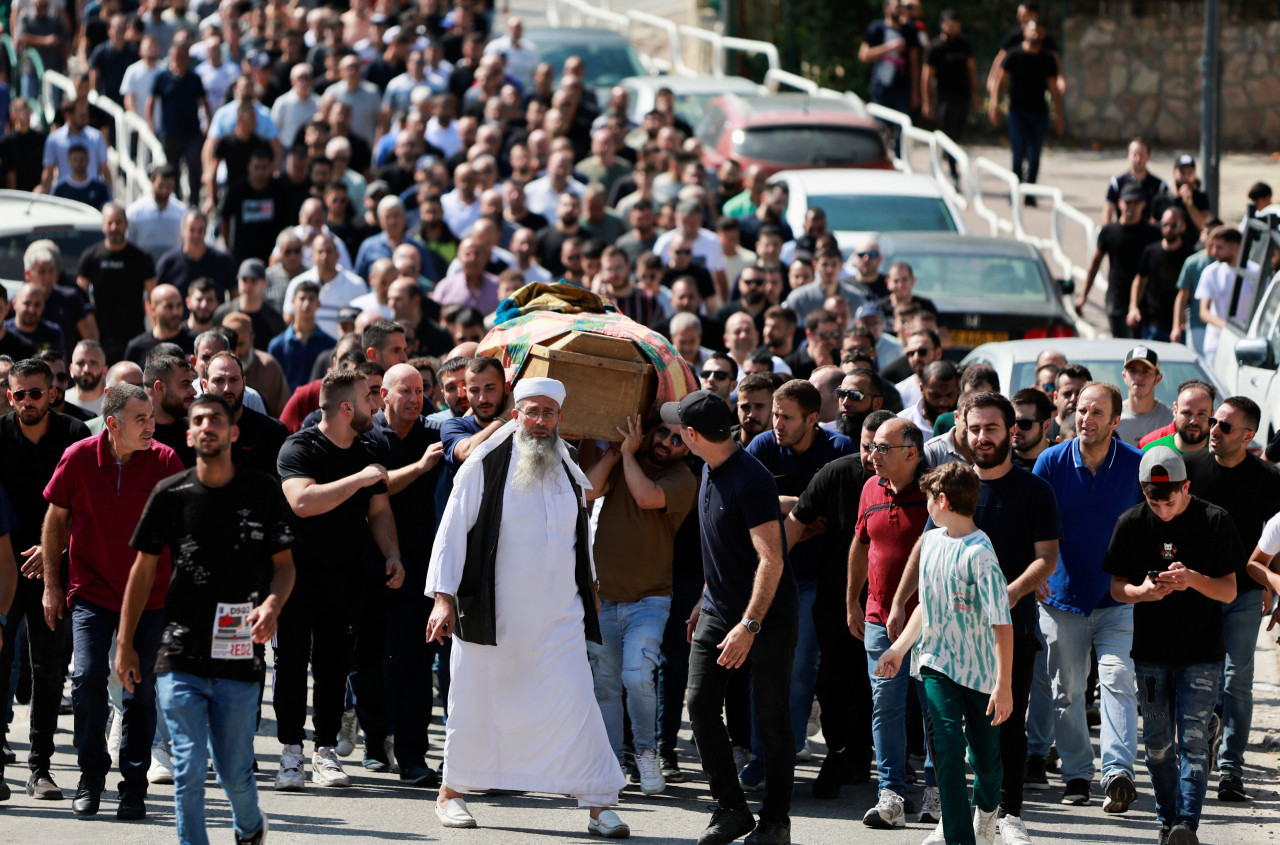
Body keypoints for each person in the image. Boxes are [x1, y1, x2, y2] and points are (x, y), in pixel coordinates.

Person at [424, 377, 629, 838]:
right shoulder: (487, 462)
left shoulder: (569, 463)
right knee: (476, 705)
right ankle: (451, 793)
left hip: (559, 618)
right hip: (493, 615)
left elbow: (581, 533)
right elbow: (452, 529)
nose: (539, 423)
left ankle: (599, 803)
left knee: (576, 703)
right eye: (532, 413)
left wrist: (591, 583)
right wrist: (442, 598)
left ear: (560, 418)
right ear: (516, 415)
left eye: (549, 414)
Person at [116, 393, 294, 845]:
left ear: (233, 432)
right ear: (190, 433)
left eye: (217, 418)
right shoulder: (170, 494)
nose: (207, 425)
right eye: (199, 420)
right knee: (190, 770)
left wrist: (272, 604)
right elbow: (142, 568)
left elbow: (286, 564)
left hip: (239, 650)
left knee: (235, 774)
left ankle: (250, 827)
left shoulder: (262, 491)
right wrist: (125, 642)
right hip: (179, 650)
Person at [660, 389, 798, 845]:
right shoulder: (706, 467)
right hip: (719, 610)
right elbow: (719, 548)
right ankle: (731, 809)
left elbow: (771, 560)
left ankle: (776, 821)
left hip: (767, 617)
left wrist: (750, 625)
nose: (675, 432)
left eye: (679, 427)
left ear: (694, 435)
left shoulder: (751, 480)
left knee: (771, 717)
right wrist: (705, 598)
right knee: (699, 704)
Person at [42, 383, 185, 819]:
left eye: (151, 418)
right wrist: (51, 584)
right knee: (86, 679)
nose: (151, 426)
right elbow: (55, 520)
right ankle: (91, 776)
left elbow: (185, 531)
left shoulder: (165, 460)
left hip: (151, 597)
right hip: (92, 591)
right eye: (140, 419)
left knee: (139, 693)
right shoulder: (79, 457)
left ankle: (134, 787)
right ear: (112, 424)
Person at [1104, 446, 1239, 845]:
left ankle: (1186, 825)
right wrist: (1143, 592)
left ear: (1187, 487)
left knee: (1193, 742)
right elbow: (1116, 587)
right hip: (1150, 652)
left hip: (1202, 652)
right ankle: (1167, 822)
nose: (1162, 510)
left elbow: (1229, 591)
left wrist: (1193, 579)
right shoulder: (1130, 523)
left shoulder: (1215, 520)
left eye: (1170, 500)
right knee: (1159, 744)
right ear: (1142, 491)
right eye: (1153, 500)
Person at [274, 369, 402, 791]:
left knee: (332, 667)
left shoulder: (369, 446)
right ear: (347, 408)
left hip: (347, 577)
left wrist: (392, 554)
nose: (376, 405)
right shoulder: (299, 446)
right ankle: (290, 754)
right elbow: (303, 501)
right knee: (291, 667)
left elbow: (379, 510)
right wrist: (360, 479)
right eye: (369, 398)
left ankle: (324, 751)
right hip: (294, 578)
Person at [877, 460, 1014, 845]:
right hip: (936, 664)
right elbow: (927, 606)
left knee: (987, 764)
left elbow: (1002, 624)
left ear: (942, 500)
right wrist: (900, 648)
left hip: (982, 673)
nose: (926, 508)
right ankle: (958, 837)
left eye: (928, 500)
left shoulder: (981, 553)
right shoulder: (933, 542)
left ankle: (986, 815)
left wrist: (1003, 686)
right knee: (948, 749)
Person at [1032, 381, 1143, 811]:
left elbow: (1151, 526)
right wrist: (1032, 573)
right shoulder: (1051, 462)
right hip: (1062, 599)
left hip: (1118, 598)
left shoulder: (1135, 465)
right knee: (1068, 691)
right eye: (1081, 410)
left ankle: (1117, 772)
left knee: (1118, 681)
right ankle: (1078, 774)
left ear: (1116, 421)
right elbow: (1031, 523)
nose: (1086, 419)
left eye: (1097, 413)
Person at [583, 412, 697, 796]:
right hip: (604, 598)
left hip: (650, 599)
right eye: (663, 432)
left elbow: (647, 497)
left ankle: (645, 752)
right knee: (606, 685)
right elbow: (588, 491)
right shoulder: (624, 458)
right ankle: (614, 761)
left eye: (678, 439)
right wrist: (618, 453)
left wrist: (628, 456)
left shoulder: (684, 478)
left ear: (690, 446)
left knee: (637, 678)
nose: (667, 442)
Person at [1181, 396, 1280, 803]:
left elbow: (1276, 540)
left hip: (1242, 593)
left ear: (1249, 436)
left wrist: (1272, 588)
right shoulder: (1190, 470)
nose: (1213, 431)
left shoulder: (1267, 480)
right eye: (1212, 422)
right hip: (1196, 591)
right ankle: (1195, 748)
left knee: (1238, 677)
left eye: (1224, 426)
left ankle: (1231, 767)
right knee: (1197, 675)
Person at [0, 358, 90, 800]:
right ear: (9, 395)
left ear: (53, 393)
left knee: (48, 668)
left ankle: (40, 768)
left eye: (37, 393)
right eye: (20, 394)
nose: (29, 402)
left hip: (56, 566)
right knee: (0, 663)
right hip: (3, 566)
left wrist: (53, 549)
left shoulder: (75, 435)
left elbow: (86, 506)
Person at [358, 364, 445, 783]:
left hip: (421, 568)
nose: (415, 399)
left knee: (413, 664)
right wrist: (418, 469)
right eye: (405, 392)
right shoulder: (368, 437)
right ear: (385, 396)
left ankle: (413, 756)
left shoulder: (434, 436)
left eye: (420, 391)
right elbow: (373, 487)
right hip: (371, 565)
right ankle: (376, 739)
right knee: (371, 663)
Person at [850, 417, 934, 830]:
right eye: (872, 447)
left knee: (935, 708)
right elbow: (860, 543)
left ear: (911, 453)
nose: (873, 455)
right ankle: (892, 794)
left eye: (883, 448)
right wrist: (852, 599)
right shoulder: (870, 489)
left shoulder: (936, 491)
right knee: (886, 705)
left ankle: (937, 791)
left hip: (933, 621)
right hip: (878, 619)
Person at [988, 18, 1064, 196]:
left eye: (1038, 31)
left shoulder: (1047, 58)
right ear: (1025, 32)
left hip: (1039, 112)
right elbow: (1000, 81)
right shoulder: (1014, 55)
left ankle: (1030, 192)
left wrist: (1058, 116)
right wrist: (994, 106)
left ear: (1042, 34)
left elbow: (1054, 89)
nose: (1034, 34)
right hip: (1017, 111)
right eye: (1031, 30)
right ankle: (1015, 190)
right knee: (1018, 152)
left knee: (1035, 154)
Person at [76, 203, 157, 363]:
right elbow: (80, 298)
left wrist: (154, 333)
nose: (114, 227)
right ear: (103, 226)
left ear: (127, 224)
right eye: (110, 223)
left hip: (135, 334)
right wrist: (89, 333)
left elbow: (152, 298)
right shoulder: (90, 257)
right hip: (102, 336)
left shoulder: (142, 257)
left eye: (119, 222)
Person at [922, 10, 979, 185]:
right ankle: (954, 173)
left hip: (963, 95)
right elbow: (926, 77)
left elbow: (971, 71)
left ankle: (943, 159)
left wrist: (976, 95)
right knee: (949, 134)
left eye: (955, 24)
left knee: (958, 134)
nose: (952, 28)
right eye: (949, 24)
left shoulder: (964, 44)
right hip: (945, 97)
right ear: (942, 25)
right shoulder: (935, 47)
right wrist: (927, 102)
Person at [1127, 207, 1195, 341]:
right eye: (1164, 224)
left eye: (1173, 225)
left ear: (1183, 226)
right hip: (1152, 322)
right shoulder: (1151, 251)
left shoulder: (1189, 256)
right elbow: (1139, 280)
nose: (1168, 229)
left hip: (1180, 325)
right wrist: (1133, 307)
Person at [1114, 346, 1173, 447]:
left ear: (1158, 379)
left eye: (1146, 371)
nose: (1139, 377)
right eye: (1133, 371)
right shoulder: (1112, 419)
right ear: (1124, 376)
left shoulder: (1170, 420)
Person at [1104, 138, 1168, 225]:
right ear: (1128, 156)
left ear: (1148, 156)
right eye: (1134, 155)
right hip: (1123, 233)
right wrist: (1107, 233)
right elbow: (1108, 209)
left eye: (1141, 155)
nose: (1138, 159)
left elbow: (1166, 214)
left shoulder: (1159, 186)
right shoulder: (1117, 183)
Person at [1143, 381, 1213, 455]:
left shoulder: (1222, 455)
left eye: (1201, 414)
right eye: (1187, 413)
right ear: (1175, 410)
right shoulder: (1150, 452)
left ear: (1212, 414)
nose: (1193, 421)